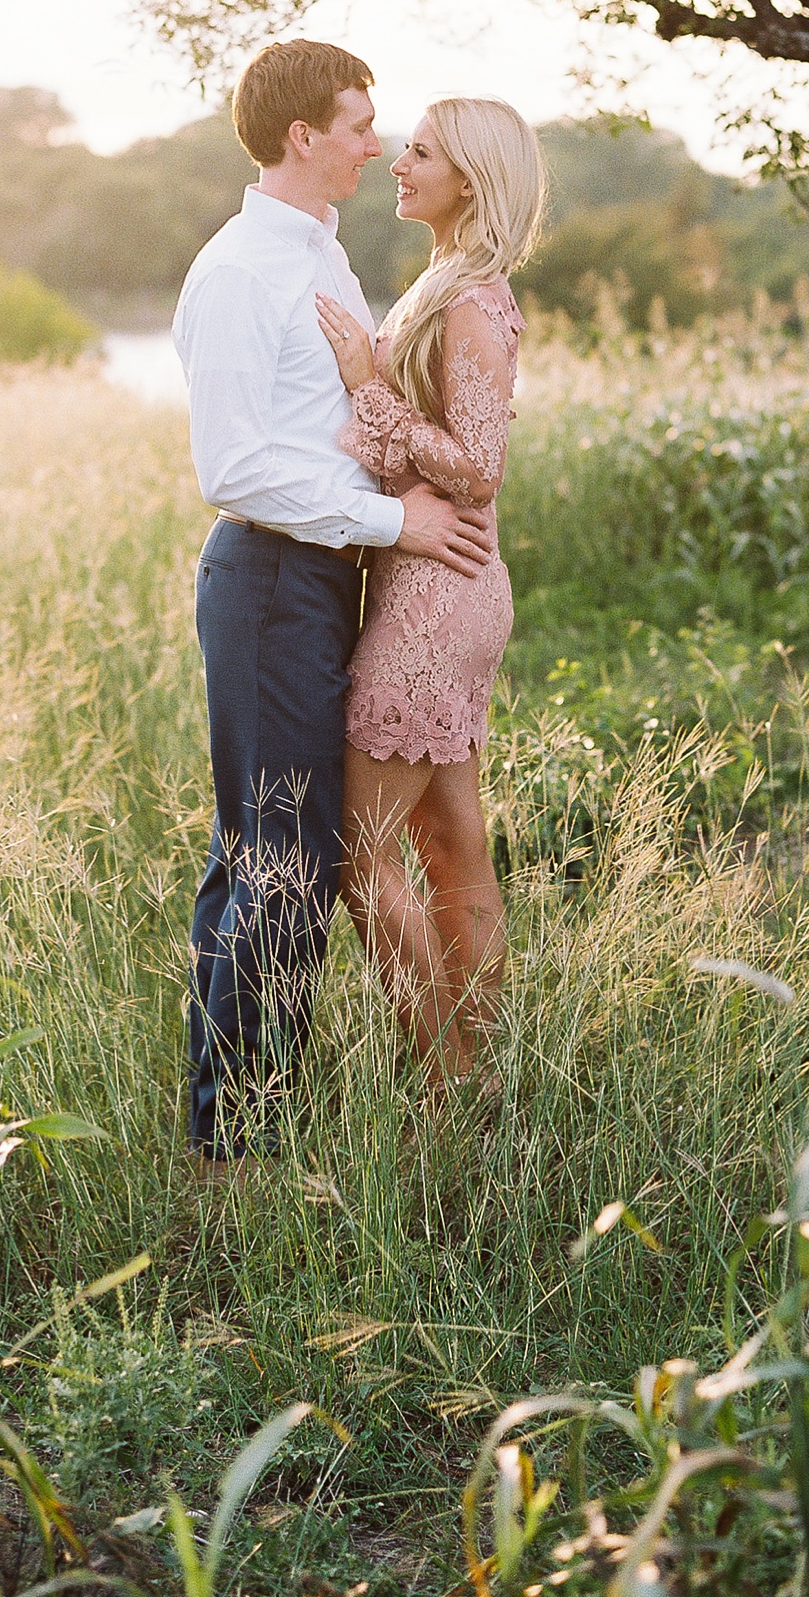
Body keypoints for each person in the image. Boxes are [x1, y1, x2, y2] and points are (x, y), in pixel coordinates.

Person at [173, 40, 497, 1163]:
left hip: (322, 579)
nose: (376, 141)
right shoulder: (238, 272)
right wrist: (395, 521)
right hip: (268, 581)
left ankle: (251, 1123)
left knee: (280, 852)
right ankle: (238, 1145)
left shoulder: (321, 254)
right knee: (279, 862)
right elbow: (234, 467)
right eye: (360, 123)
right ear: (303, 136)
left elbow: (337, 427)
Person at [315, 99, 545, 1080]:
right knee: (449, 841)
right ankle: (481, 1070)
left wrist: (367, 383)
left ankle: (446, 1071)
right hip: (440, 582)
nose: (396, 162)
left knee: (356, 851)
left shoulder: (469, 301)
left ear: (469, 181)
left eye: (419, 151)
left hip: (435, 599)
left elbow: (479, 467)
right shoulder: (445, 281)